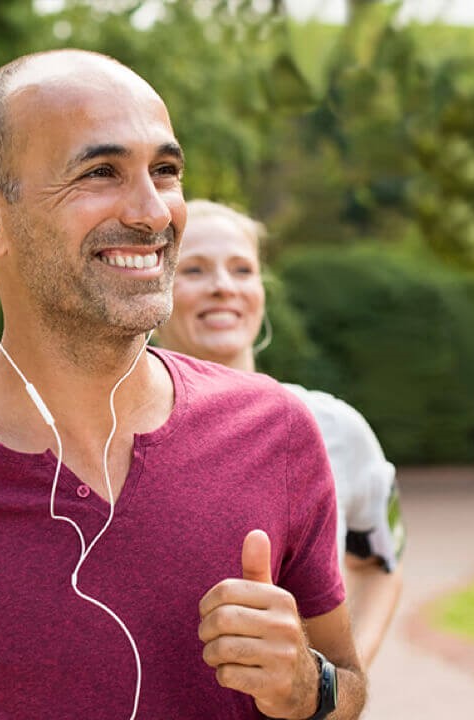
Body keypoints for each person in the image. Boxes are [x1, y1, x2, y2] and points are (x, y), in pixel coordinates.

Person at [0, 49, 366, 719]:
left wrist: (310, 688)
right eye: (100, 172)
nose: (152, 212)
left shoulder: (277, 431)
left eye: (165, 171)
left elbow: (350, 682)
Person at [157, 200, 405, 667]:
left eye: (242, 269)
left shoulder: (336, 428)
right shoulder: (114, 436)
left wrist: (334, 692)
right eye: (193, 270)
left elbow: (380, 567)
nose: (223, 287)